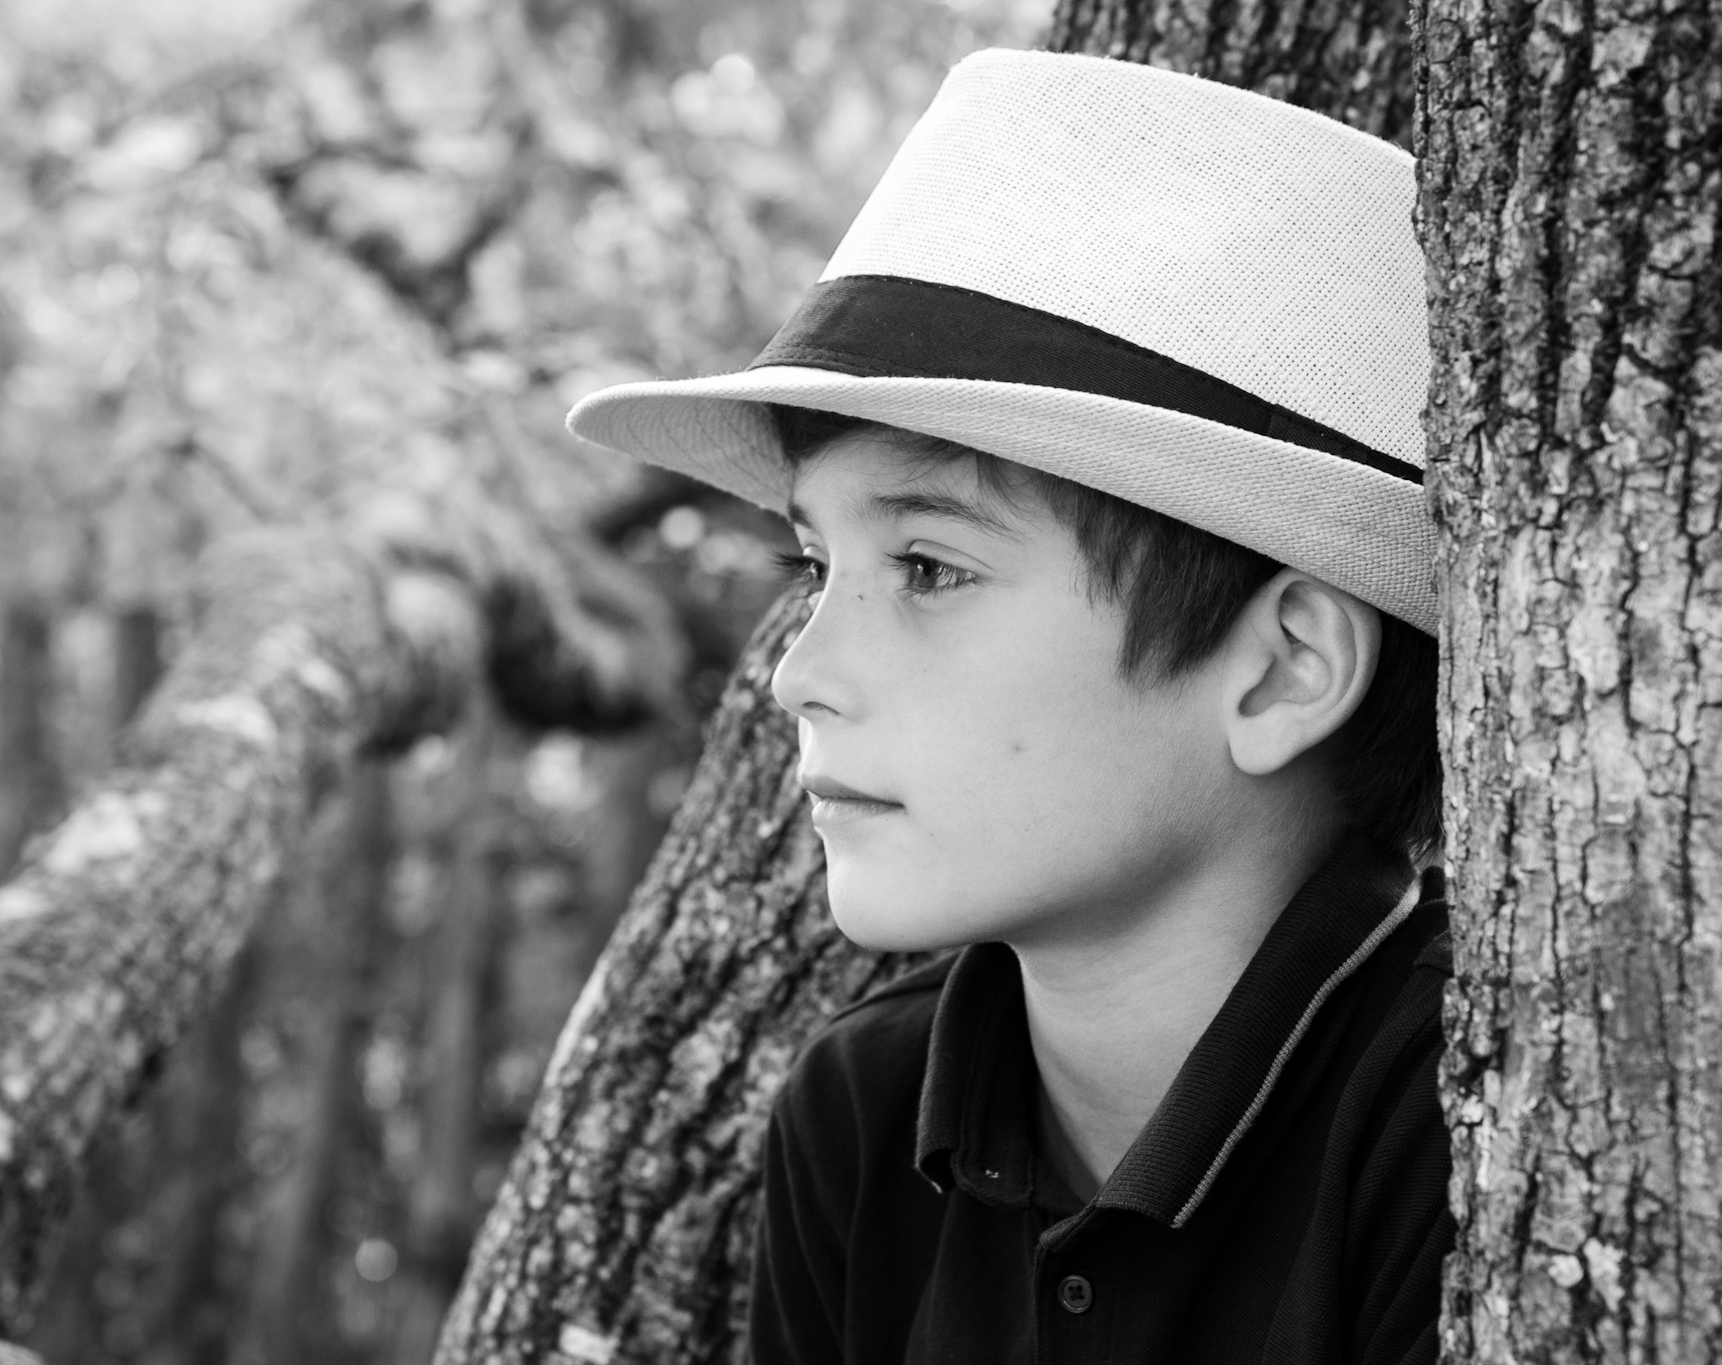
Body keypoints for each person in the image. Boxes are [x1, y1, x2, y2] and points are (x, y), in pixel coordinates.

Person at [566, 48, 1451, 1364]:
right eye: (815, 564)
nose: (796, 672)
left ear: (1279, 671)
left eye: (928, 567)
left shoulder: (1457, 1118)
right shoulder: (862, 1116)